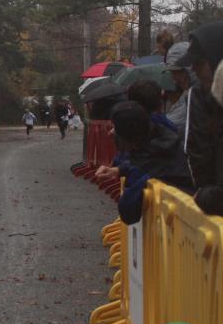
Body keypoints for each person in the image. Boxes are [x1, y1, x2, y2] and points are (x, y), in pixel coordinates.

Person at [95, 101, 193, 225]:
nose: (111, 132)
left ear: (128, 136)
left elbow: (128, 211)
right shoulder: (163, 140)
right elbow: (143, 164)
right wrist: (119, 170)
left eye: (116, 128)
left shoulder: (155, 168)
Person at [176, 21, 223, 188]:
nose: (194, 69)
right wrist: (207, 192)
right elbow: (196, 151)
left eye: (199, 63)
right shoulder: (198, 96)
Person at [164, 42, 194, 140]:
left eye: (177, 71)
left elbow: (174, 126)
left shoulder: (198, 96)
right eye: (172, 72)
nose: (174, 78)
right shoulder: (188, 93)